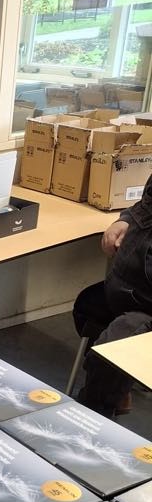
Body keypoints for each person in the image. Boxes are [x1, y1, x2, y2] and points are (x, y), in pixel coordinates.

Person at [78, 171, 152, 418]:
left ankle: (95, 412)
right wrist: (124, 221)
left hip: (146, 307)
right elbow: (145, 205)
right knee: (85, 307)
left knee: (110, 353)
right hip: (126, 290)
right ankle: (118, 386)